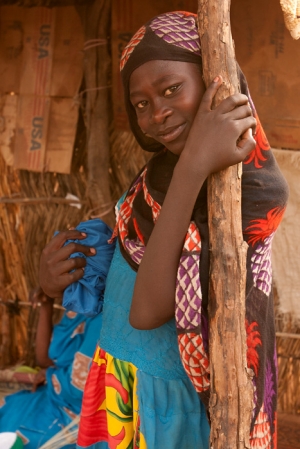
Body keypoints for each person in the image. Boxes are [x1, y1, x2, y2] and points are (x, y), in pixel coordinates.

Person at [39, 12, 289, 449]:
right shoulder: (161, 170)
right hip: (119, 379)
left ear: (217, 80)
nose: (157, 113)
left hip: (168, 404)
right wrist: (50, 280)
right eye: (141, 103)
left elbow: (148, 311)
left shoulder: (251, 192)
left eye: (173, 89)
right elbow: (123, 236)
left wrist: (194, 164)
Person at [0, 287, 103, 449]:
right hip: (53, 396)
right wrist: (46, 306)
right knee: (9, 415)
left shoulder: (102, 318)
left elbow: (78, 389)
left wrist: (49, 375)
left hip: (76, 412)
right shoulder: (78, 305)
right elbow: (46, 359)